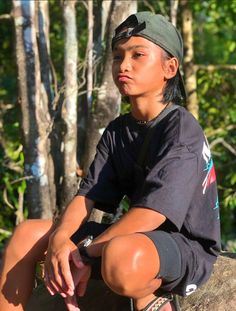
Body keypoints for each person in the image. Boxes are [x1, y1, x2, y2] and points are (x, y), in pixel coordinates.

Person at [0, 12, 221, 311]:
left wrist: (84, 254)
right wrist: (60, 240)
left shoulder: (181, 129)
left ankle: (155, 301)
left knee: (122, 256)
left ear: (170, 67)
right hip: (130, 236)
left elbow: (152, 215)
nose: (124, 65)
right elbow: (86, 197)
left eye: (138, 55)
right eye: (118, 56)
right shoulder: (118, 130)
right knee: (27, 235)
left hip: (182, 247)